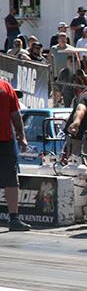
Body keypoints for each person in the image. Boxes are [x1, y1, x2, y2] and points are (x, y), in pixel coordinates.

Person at [0, 80, 30, 231]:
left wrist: (22, 136)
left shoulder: (5, 86)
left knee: (11, 179)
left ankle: (14, 219)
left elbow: (15, 114)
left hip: (6, 141)